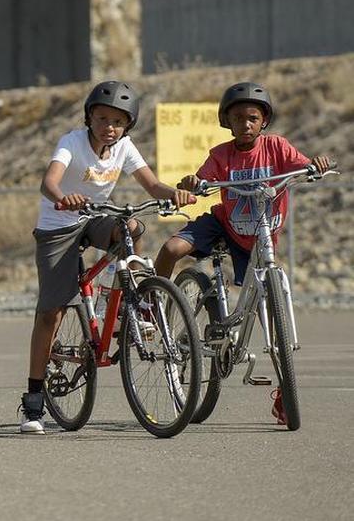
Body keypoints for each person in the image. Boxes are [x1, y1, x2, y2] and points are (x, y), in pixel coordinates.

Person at [19, 81, 194, 435]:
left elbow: (152, 185)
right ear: (89, 117)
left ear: (127, 126)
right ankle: (33, 401)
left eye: (117, 121)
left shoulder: (124, 147)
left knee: (131, 227)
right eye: (101, 119)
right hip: (59, 225)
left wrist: (173, 194)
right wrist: (62, 197)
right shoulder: (72, 142)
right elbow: (48, 181)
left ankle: (134, 304)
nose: (108, 127)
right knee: (50, 312)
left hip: (95, 219)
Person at [153, 82, 330, 425]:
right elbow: (203, 180)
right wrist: (194, 183)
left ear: (263, 121)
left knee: (273, 322)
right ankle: (152, 307)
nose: (245, 124)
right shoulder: (221, 154)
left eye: (252, 117)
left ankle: (283, 393)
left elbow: (306, 167)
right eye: (237, 118)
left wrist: (317, 166)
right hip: (224, 225)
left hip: (260, 240)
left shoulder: (277, 147)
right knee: (172, 247)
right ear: (227, 121)